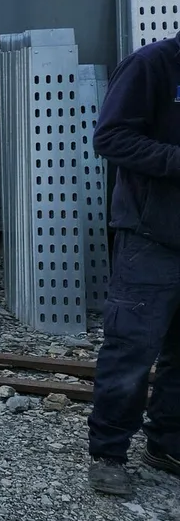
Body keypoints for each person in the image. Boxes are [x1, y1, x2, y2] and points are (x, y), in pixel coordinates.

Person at [89, 31, 180, 496]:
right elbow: (110, 136)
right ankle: (108, 453)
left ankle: (167, 444)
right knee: (132, 349)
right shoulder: (152, 65)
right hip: (152, 235)